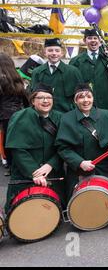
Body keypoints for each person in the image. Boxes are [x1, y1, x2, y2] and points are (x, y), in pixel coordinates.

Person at [4, 83, 65, 212]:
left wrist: (51, 164)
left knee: (54, 210)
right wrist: (34, 172)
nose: (45, 101)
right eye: (41, 97)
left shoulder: (60, 118)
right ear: (32, 100)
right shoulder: (20, 117)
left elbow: (64, 147)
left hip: (53, 172)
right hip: (26, 173)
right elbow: (17, 149)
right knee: (22, 211)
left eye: (49, 98)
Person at [55, 83, 108, 197]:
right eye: (81, 97)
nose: (86, 100)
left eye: (89, 96)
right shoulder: (66, 119)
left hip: (105, 168)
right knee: (80, 205)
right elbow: (63, 148)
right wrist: (79, 162)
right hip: (79, 170)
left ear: (93, 98)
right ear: (75, 101)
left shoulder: (106, 115)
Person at [69, 28, 108, 125]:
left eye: (95, 38)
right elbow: (72, 85)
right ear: (85, 41)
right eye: (89, 38)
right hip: (85, 104)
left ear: (100, 41)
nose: (93, 40)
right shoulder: (76, 61)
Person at [30, 38, 83, 113]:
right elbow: (33, 96)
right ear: (45, 53)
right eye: (50, 50)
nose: (54, 53)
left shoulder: (73, 72)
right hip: (44, 116)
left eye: (57, 50)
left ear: (62, 53)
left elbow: (81, 95)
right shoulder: (37, 72)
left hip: (66, 116)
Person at [0, 53, 29, 176]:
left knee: (6, 143)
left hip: (4, 115)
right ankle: (15, 167)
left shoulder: (1, 79)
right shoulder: (17, 78)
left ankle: (9, 166)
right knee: (15, 143)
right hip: (18, 114)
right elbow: (25, 99)